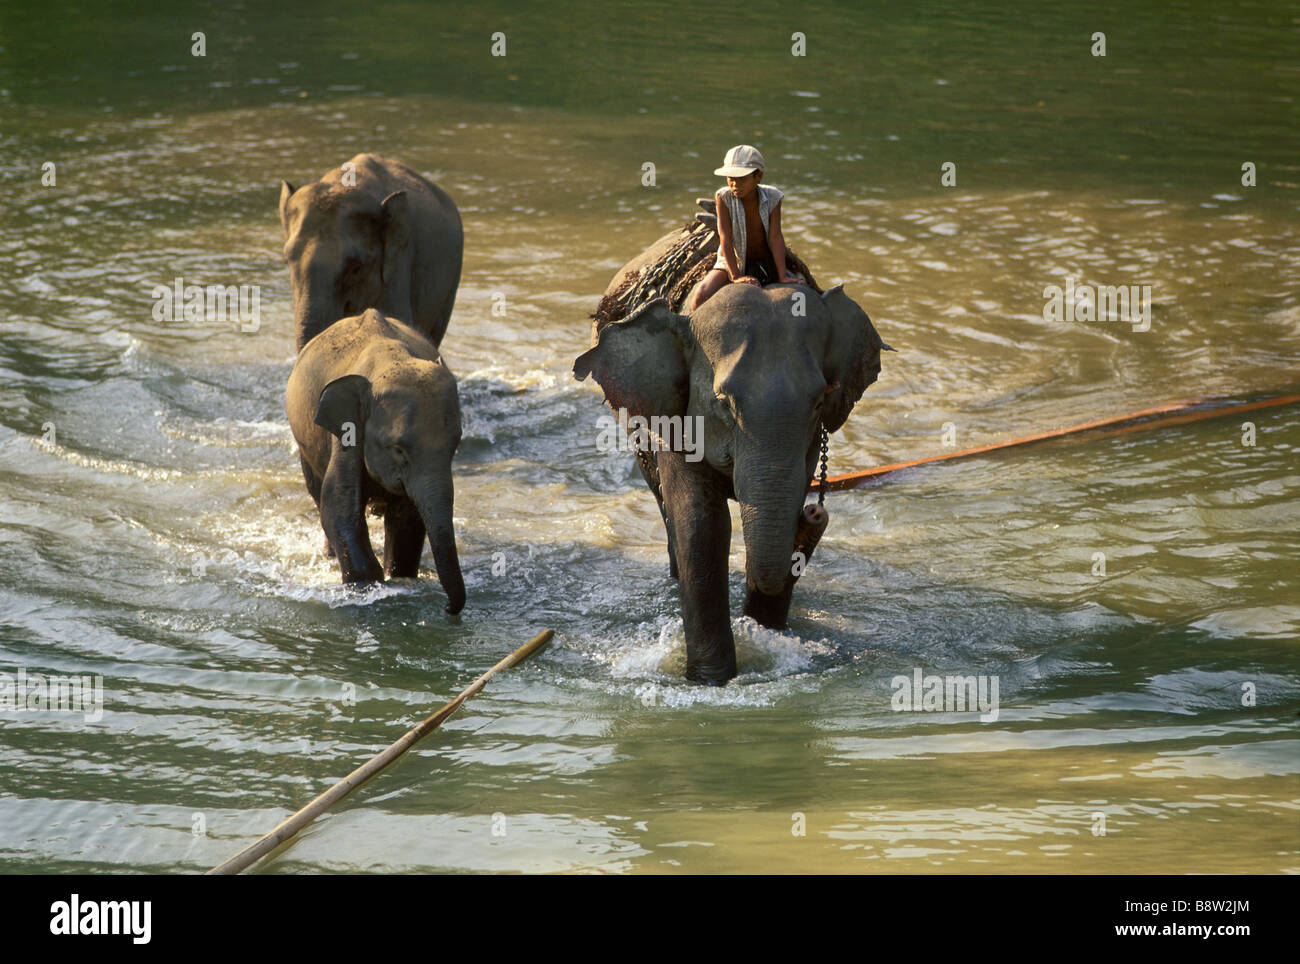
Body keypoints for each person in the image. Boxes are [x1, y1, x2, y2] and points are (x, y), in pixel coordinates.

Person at [688, 145, 805, 312]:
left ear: (758, 176)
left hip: (766, 260)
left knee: (803, 290)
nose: (735, 184)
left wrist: (782, 276)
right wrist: (735, 276)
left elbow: (775, 237)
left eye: (742, 178)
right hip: (733, 260)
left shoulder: (773, 197)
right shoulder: (724, 197)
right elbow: (725, 238)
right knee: (701, 294)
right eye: (731, 178)